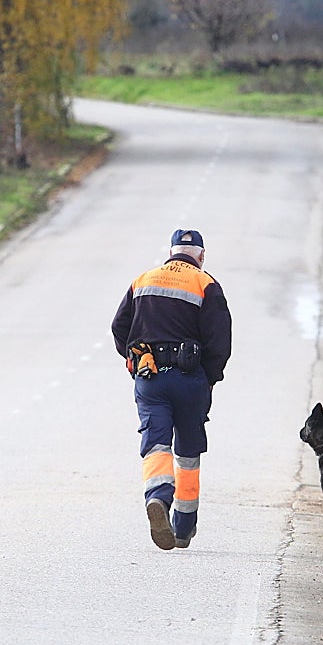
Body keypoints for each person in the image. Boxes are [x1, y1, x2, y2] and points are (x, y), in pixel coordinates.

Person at [111, 228, 232, 551]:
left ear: (169, 251)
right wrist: (210, 378)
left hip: (150, 377)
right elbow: (220, 340)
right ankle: (183, 527)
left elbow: (119, 326)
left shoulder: (144, 280)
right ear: (201, 256)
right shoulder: (205, 284)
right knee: (189, 452)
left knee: (156, 443)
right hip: (191, 378)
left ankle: (158, 498)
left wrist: (134, 361)